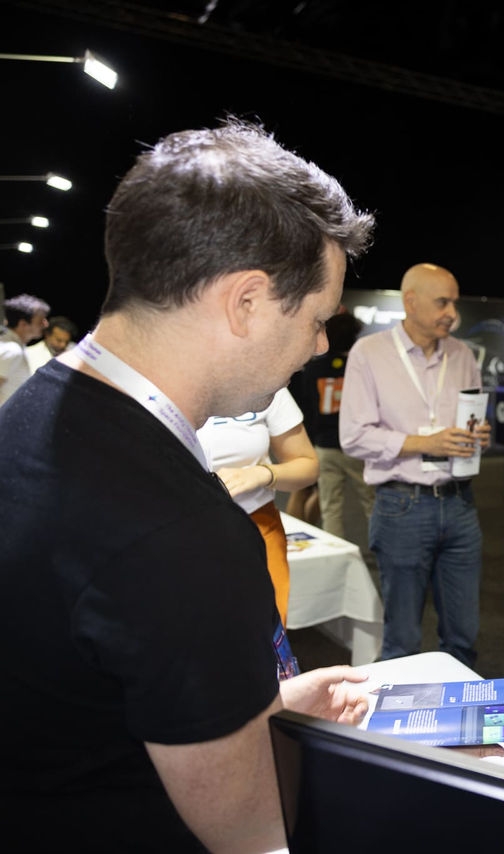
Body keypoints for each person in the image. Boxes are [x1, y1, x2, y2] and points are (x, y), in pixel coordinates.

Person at [0, 119, 387, 851]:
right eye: (315, 318)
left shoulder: (40, 411)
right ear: (245, 303)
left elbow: (111, 667)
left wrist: (246, 705)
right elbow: (252, 837)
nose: (319, 345)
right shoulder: (175, 529)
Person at [340, 262, 492, 666]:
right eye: (443, 302)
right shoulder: (369, 354)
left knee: (463, 635)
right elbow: (353, 436)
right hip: (401, 505)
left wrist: (477, 436)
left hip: (460, 504)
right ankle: (397, 728)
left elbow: (470, 420)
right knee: (402, 639)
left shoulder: (462, 355)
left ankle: (456, 721)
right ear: (410, 301)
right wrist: (424, 442)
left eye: (454, 303)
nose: (452, 313)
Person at [197, 387, 319, 627]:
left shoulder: (265, 379)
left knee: (265, 632)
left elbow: (307, 465)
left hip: (256, 525)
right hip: (176, 530)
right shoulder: (155, 376)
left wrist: (262, 474)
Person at [290, 311, 376, 548]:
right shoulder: (358, 368)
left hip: (324, 446)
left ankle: (336, 553)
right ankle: (381, 550)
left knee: (330, 507)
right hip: (357, 447)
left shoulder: (314, 370)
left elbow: (307, 408)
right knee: (370, 502)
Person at [0, 292, 49, 407]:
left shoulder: (15, 346)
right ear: (23, 324)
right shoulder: (12, 350)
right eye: (40, 321)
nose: (46, 324)